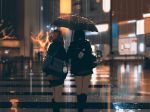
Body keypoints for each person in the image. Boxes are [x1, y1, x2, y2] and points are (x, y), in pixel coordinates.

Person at [67, 30, 95, 96]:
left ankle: (79, 105)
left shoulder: (73, 44)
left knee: (79, 89)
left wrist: (75, 53)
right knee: (84, 90)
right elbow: (90, 54)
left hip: (77, 69)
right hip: (87, 69)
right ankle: (83, 105)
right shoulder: (87, 43)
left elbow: (68, 55)